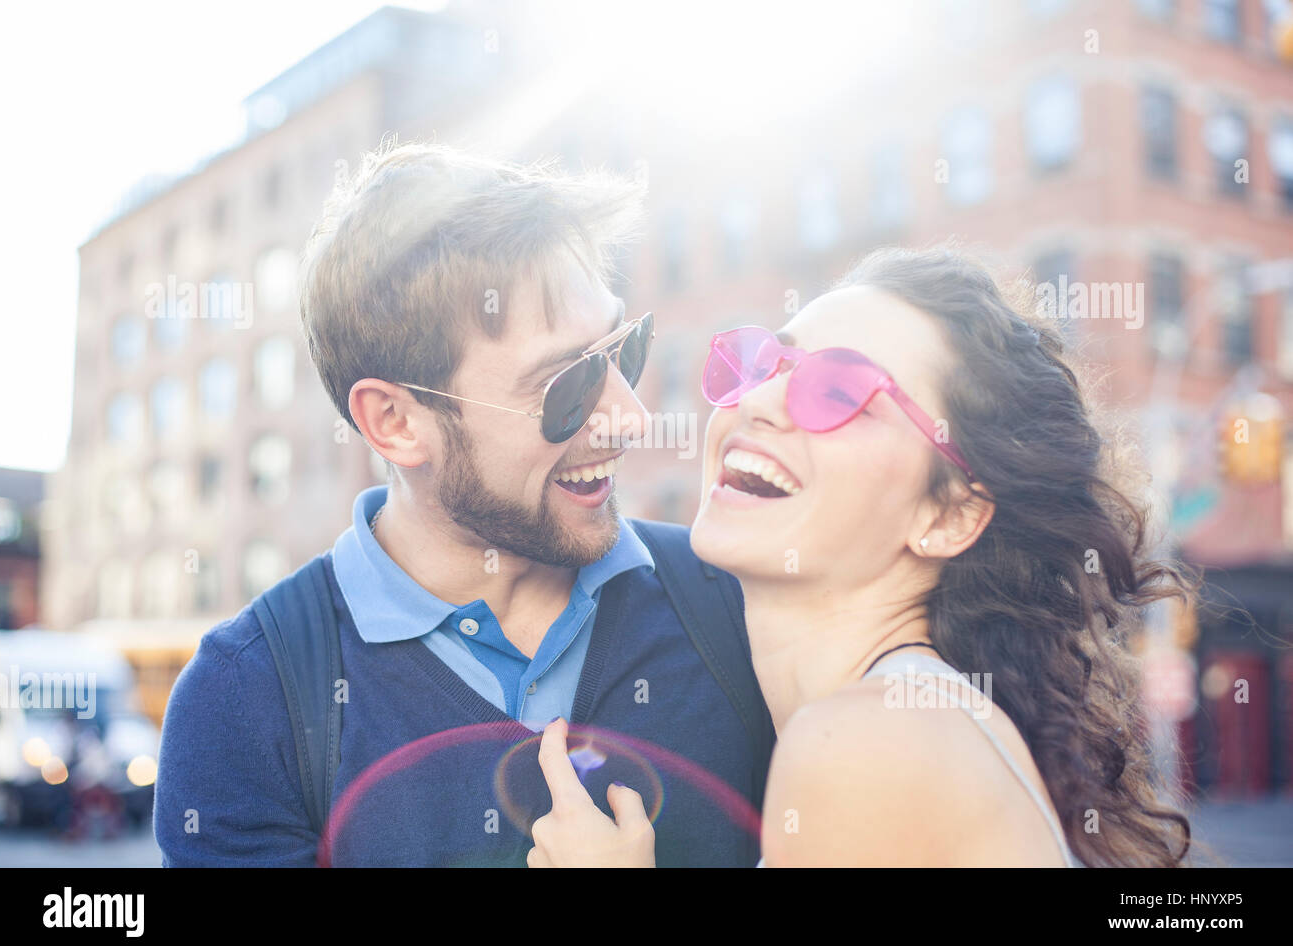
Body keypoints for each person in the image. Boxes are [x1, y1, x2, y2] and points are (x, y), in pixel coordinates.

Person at [154, 143, 773, 866]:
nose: (629, 415)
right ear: (396, 421)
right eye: (567, 385)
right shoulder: (249, 697)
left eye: (623, 350)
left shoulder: (735, 600)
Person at [527, 245, 1195, 867]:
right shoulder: (907, 718)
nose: (756, 400)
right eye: (764, 364)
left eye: (840, 391)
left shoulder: (867, 743)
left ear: (949, 513)